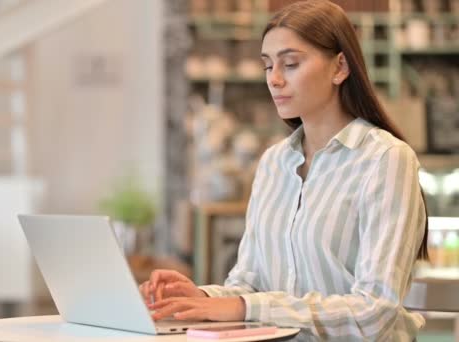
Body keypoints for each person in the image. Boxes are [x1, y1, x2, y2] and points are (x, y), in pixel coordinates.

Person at [140, 1, 429, 340]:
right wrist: (201, 298)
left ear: (340, 67)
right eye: (267, 65)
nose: (274, 79)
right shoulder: (274, 163)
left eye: (290, 64)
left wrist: (244, 307)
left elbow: (375, 310)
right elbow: (248, 283)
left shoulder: (386, 159)